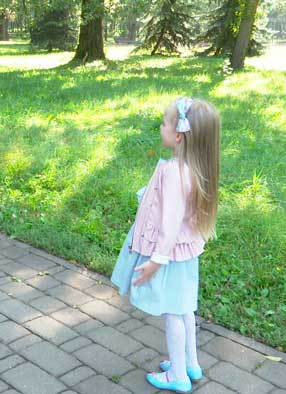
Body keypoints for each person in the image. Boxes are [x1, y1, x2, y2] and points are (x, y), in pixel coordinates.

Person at [111, 97, 220, 392]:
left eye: (164, 122)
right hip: (186, 251)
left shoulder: (174, 171)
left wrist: (157, 259)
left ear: (178, 135)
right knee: (185, 308)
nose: (160, 126)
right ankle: (190, 364)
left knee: (173, 311)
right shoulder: (194, 167)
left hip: (169, 253)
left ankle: (178, 377)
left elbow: (170, 221)